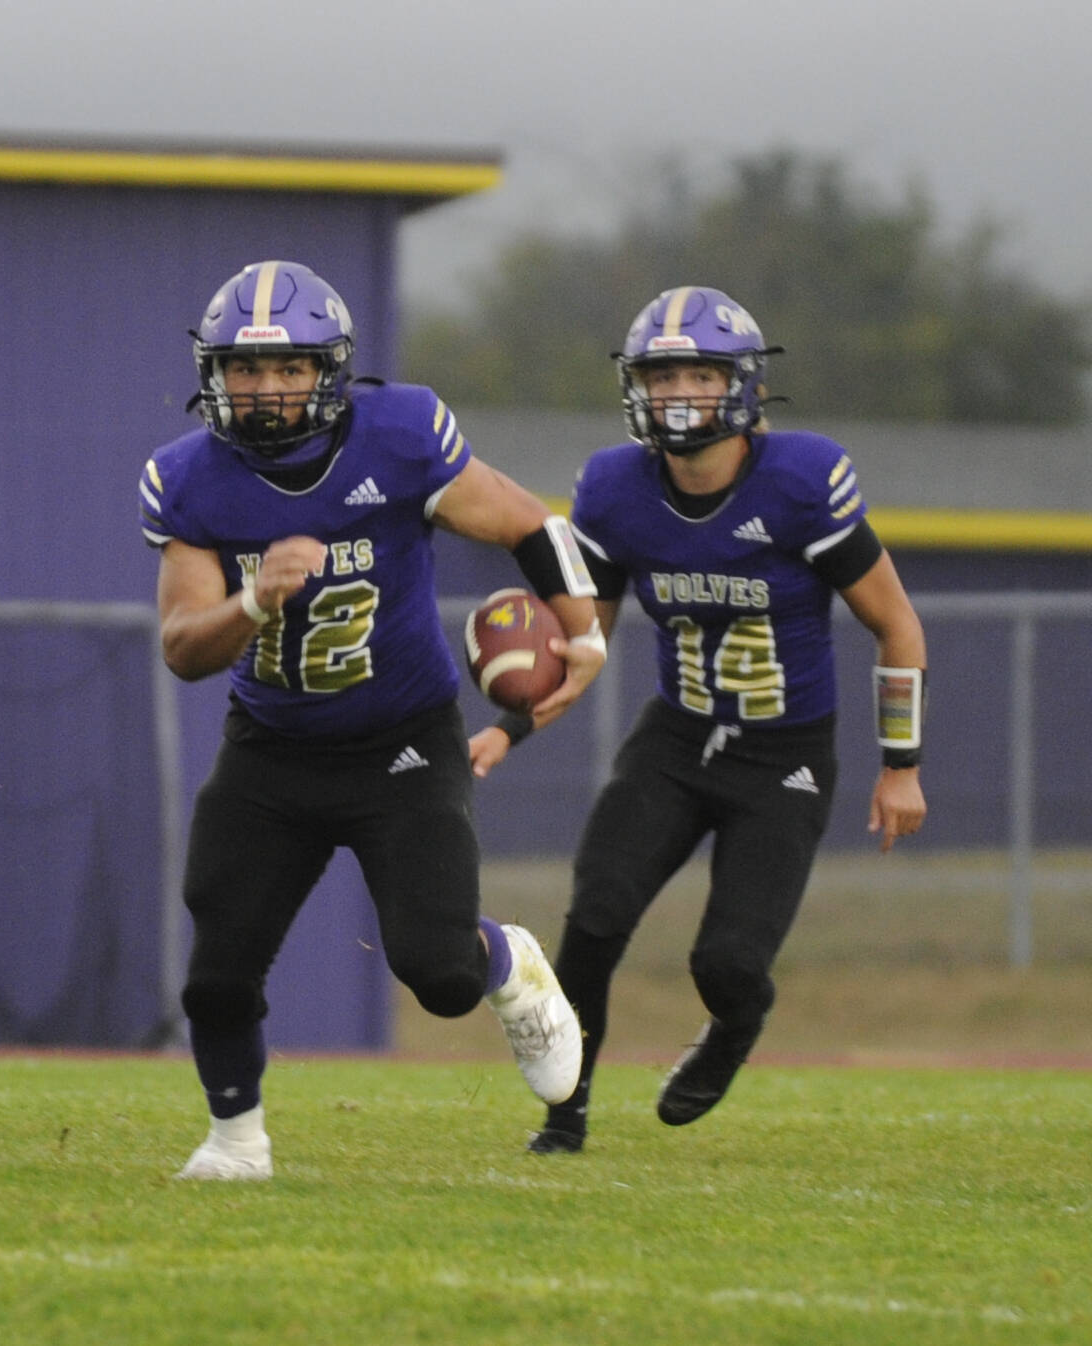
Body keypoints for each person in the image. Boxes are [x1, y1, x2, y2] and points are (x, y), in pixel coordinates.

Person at [138, 259, 604, 1180]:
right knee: (219, 964)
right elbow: (185, 649)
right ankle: (237, 1140)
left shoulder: (396, 435)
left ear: (331, 370)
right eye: (245, 368)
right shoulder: (188, 479)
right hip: (271, 748)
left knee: (436, 973)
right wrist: (253, 604)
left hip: (401, 741)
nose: (266, 391)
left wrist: (582, 631)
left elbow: (522, 521)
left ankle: (504, 961)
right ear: (213, 375)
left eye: (288, 368)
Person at [475, 286, 928, 1155]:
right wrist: (512, 723)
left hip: (783, 758)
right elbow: (586, 643)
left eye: (699, 373)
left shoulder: (799, 481)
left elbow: (896, 623)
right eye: (662, 374)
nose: (680, 392)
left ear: (741, 385)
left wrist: (901, 764)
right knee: (597, 917)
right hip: (676, 741)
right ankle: (565, 1116)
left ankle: (735, 1026)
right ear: (636, 388)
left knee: (725, 965)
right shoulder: (615, 488)